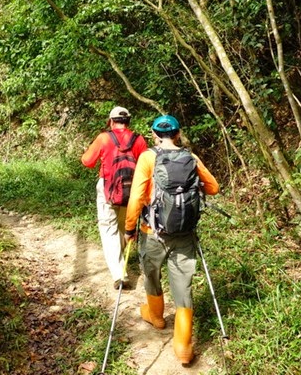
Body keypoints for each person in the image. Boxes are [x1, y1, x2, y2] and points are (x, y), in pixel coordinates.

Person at [124, 114, 219, 364]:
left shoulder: (147, 157)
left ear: (153, 135)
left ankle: (156, 317)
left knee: (151, 274)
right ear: (178, 134)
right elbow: (214, 188)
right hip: (184, 234)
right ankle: (184, 346)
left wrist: (129, 228)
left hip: (152, 232)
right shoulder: (191, 158)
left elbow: (135, 199)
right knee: (183, 286)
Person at [81, 106, 148, 289]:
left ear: (111, 121)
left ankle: (119, 274)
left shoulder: (104, 138)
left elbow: (87, 161)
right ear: (129, 121)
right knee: (123, 226)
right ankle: (121, 262)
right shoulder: (139, 139)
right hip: (132, 189)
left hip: (108, 189)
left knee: (109, 228)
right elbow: (147, 165)